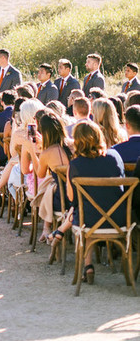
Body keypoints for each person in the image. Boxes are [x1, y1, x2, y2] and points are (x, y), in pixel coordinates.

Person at [50, 121, 125, 283]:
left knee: (86, 213)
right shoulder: (115, 157)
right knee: (92, 210)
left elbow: (71, 198)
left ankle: (88, 266)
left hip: (89, 221)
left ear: (77, 141)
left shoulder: (75, 165)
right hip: (120, 219)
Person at [20, 111, 72, 241]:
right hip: (79, 195)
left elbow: (40, 173)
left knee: (48, 187)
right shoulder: (72, 144)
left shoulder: (47, 153)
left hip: (62, 200)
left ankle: (46, 228)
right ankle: (46, 228)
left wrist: (32, 150)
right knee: (50, 185)